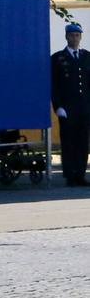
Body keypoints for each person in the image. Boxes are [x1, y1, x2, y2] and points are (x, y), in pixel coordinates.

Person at [52, 22, 90, 187]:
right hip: (67, 108)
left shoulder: (87, 56)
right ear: (66, 36)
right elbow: (54, 84)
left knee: (83, 142)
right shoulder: (57, 58)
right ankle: (70, 175)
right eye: (71, 35)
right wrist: (58, 106)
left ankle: (80, 174)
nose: (74, 38)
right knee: (68, 142)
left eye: (77, 35)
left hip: (84, 107)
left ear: (81, 37)